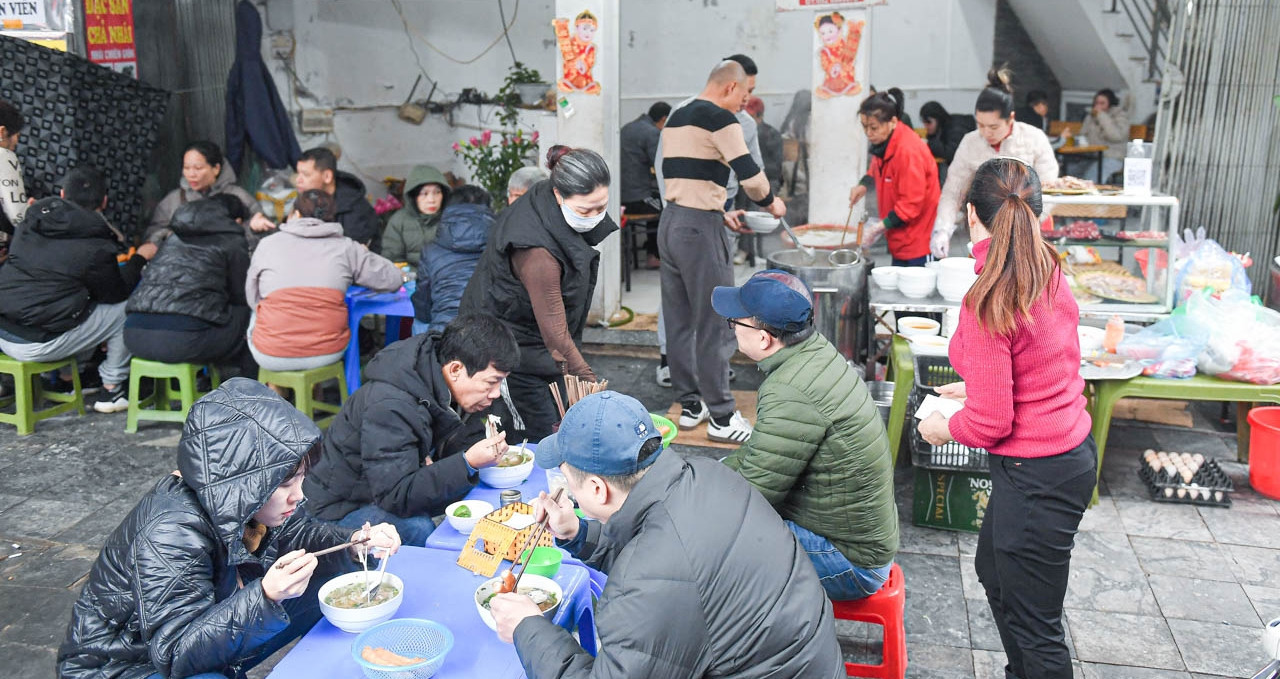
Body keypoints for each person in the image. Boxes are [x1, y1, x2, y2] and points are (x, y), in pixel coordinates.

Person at [57, 378, 403, 679]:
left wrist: (355, 543)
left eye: (300, 480)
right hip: (125, 666)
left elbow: (302, 535)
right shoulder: (170, 532)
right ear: (247, 482)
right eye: (286, 484)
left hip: (197, 636)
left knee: (325, 587)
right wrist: (265, 596)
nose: (298, 496)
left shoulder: (235, 498)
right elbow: (176, 656)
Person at [488, 390, 844, 678]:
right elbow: (671, 569)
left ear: (597, 489)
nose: (568, 491)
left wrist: (527, 627)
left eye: (569, 481)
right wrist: (577, 532)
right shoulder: (704, 474)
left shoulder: (647, 579)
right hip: (806, 658)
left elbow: (661, 575)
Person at [917, 157, 1094, 679]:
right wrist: (976, 385)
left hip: (1040, 471)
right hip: (1063, 458)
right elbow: (1038, 359)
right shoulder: (1048, 267)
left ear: (972, 214)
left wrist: (942, 427)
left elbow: (991, 424)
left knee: (1037, 627)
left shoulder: (989, 295)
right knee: (993, 571)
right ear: (1037, 213)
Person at [714, 270, 898, 601]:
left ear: (763, 338)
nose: (733, 328)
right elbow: (764, 455)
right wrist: (710, 475)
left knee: (714, 548)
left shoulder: (791, 390)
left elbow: (754, 493)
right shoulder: (812, 351)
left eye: (736, 322)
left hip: (851, 562)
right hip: (858, 536)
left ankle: (756, 647)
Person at [303, 314, 517, 546]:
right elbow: (395, 496)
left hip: (380, 489)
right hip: (338, 510)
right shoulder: (391, 405)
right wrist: (468, 462)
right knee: (419, 529)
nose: (496, 393)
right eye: (491, 382)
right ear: (456, 368)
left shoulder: (435, 375)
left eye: (500, 383)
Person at [658, 60, 784, 444]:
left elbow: (685, 172)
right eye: (744, 97)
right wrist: (772, 202)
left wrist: (721, 209)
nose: (744, 106)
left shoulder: (677, 116)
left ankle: (690, 404)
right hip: (699, 229)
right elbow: (750, 174)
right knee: (716, 321)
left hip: (671, 222)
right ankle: (722, 416)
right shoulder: (721, 119)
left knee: (679, 322)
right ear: (730, 87)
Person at [459, 147, 617, 441]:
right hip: (505, 347)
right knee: (541, 433)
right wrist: (594, 388)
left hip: (534, 339)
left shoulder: (546, 198)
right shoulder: (536, 253)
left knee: (561, 417)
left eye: (602, 207)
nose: (595, 217)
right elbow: (556, 338)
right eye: (586, 210)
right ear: (558, 195)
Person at [0, 167, 156, 413]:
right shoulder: (96, 242)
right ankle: (113, 389)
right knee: (124, 310)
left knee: (71, 300)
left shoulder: (32, 221)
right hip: (37, 344)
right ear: (104, 202)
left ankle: (68, 381)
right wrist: (140, 259)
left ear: (62, 194)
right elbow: (115, 293)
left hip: (4, 332)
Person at [245, 189, 403, 373]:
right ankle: (313, 391)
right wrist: (364, 255)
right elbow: (392, 279)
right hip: (328, 351)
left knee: (260, 310)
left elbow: (252, 297)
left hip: (271, 354)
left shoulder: (268, 245)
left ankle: (278, 386)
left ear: (295, 214)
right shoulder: (346, 247)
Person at [930, 68, 1058, 258]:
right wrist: (942, 229)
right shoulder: (970, 142)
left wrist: (1024, 226)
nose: (986, 133)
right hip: (985, 230)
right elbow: (953, 192)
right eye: (980, 125)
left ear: (1011, 119)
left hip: (1031, 229)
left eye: (994, 127)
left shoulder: (1033, 138)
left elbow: (1049, 189)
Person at [125, 195, 257, 378]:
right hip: (182, 342)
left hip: (134, 336)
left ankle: (208, 381)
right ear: (237, 221)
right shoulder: (232, 240)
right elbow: (241, 294)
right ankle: (246, 390)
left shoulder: (172, 239)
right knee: (250, 314)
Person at [847, 91, 940, 266]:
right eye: (864, 126)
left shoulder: (908, 151)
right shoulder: (885, 142)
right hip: (899, 239)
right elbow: (876, 168)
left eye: (873, 128)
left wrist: (877, 228)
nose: (868, 133)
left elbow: (911, 204)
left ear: (893, 122)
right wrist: (862, 185)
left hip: (920, 242)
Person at [145, 141, 275, 245]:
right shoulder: (173, 200)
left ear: (216, 169)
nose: (191, 174)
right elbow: (152, 235)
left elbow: (266, 235)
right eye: (186, 168)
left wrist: (251, 229)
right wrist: (172, 236)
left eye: (198, 168)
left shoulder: (239, 196)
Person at [411, 185, 495, 335]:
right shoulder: (500, 244)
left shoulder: (431, 250)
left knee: (420, 321)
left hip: (443, 333)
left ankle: (421, 355)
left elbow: (422, 304)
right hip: (490, 335)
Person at [294, 146, 382, 251]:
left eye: (306, 175)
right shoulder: (305, 201)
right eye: (298, 173)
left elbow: (350, 255)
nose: (298, 180)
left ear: (327, 176)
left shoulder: (357, 210)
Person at [619, 101, 670, 269]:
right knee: (665, 207)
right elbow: (661, 165)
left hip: (620, 197)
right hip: (637, 199)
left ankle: (650, 251)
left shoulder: (627, 127)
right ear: (663, 119)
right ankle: (654, 255)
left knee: (657, 200)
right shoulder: (652, 133)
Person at [382, 164, 448, 265]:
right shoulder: (399, 221)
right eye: (424, 194)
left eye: (437, 192)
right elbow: (392, 259)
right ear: (413, 196)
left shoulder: (452, 218)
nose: (431, 200)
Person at [1069, 88, 1129, 181]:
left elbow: (1116, 136)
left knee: (1091, 176)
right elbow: (1083, 134)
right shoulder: (1091, 116)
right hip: (1092, 156)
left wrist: (1102, 116)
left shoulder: (1119, 115)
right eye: (1097, 103)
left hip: (1112, 157)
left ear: (1110, 104)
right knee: (1071, 171)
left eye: (1102, 103)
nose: (1098, 106)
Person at [0, 99, 28, 249]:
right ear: (2, 132)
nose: (16, 142)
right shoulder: (4, 156)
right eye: (16, 135)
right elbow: (18, 217)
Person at [747, 96, 785, 194]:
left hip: (768, 179)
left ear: (760, 116)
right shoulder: (742, 132)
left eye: (750, 117)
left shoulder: (772, 135)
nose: (746, 120)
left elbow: (776, 169)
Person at [920, 100, 976, 166]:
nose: (926, 126)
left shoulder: (956, 128)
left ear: (938, 119)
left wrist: (928, 143)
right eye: (924, 122)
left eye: (928, 122)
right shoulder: (942, 126)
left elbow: (950, 153)